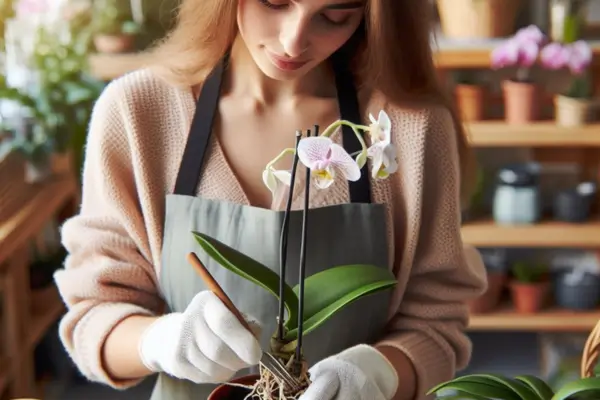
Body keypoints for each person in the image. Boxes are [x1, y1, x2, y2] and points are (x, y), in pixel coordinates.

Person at [54, 0, 487, 399]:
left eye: (336, 15)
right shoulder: (140, 112)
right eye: (275, 1)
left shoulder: (405, 131)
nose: (293, 40)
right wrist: (159, 342)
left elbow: (435, 324)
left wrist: (379, 372)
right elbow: (95, 319)